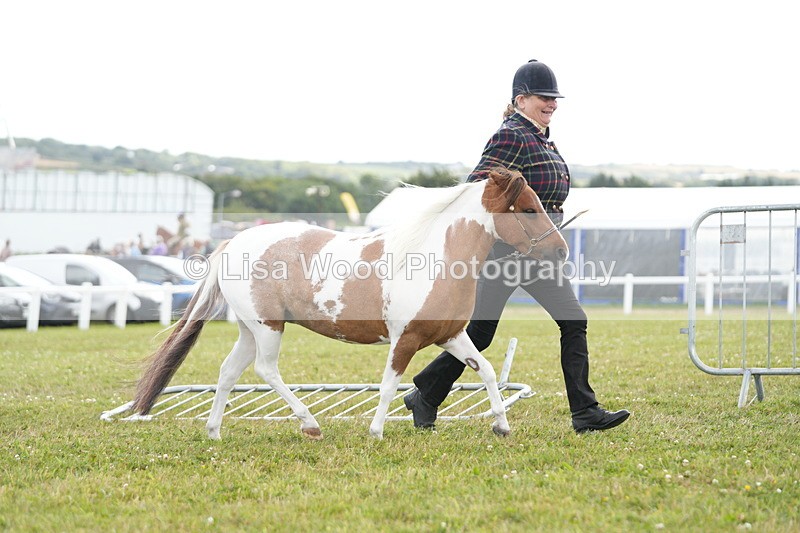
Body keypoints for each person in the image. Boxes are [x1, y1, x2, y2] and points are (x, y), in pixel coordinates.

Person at [404, 59, 630, 434]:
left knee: (573, 322)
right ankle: (426, 392)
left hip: (539, 253)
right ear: (521, 99)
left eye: (555, 98)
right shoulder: (512, 135)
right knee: (480, 332)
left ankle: (585, 413)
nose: (552, 103)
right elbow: (480, 188)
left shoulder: (540, 136)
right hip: (508, 253)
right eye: (544, 97)